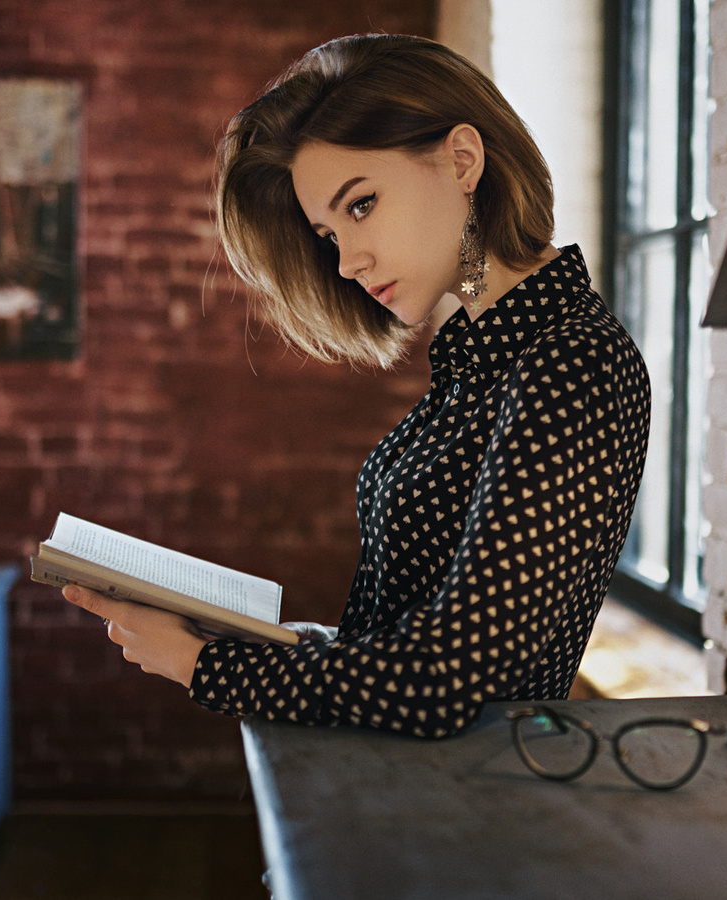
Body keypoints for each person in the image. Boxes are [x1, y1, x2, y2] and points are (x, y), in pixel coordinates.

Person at [63, 33, 651, 739]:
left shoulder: (570, 361)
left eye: (362, 205)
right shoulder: (482, 353)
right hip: (396, 790)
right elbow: (408, 634)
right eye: (328, 233)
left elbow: (446, 682)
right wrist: (263, 639)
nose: (347, 262)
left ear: (462, 160)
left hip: (463, 816)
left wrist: (202, 667)